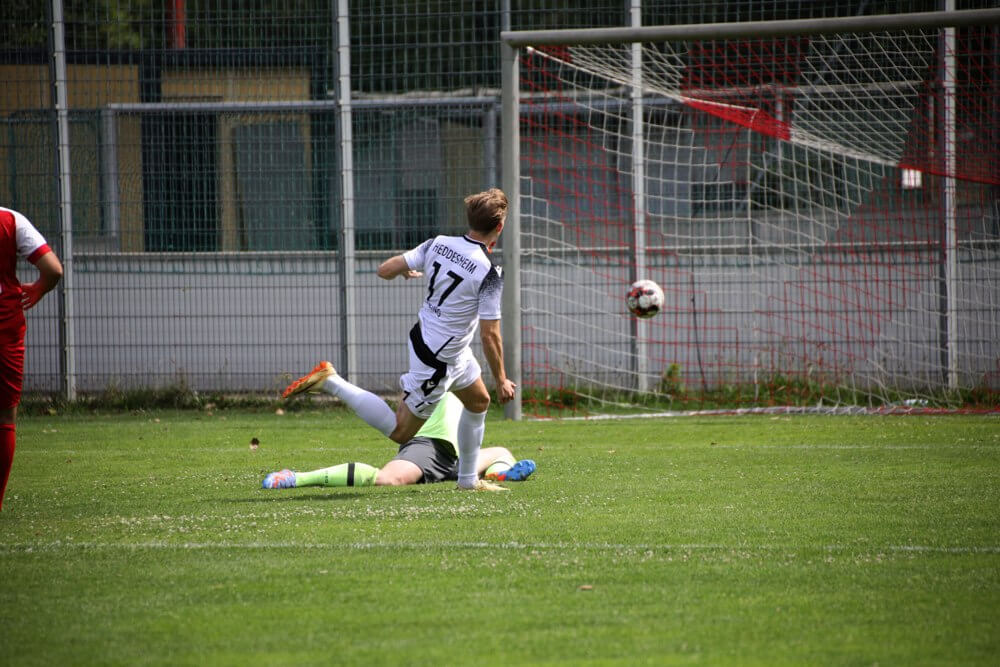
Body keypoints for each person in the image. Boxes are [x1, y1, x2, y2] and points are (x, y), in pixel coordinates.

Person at [283, 188, 516, 491]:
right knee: (400, 431)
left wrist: (404, 272)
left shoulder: (438, 243)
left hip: (442, 346)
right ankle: (330, 381)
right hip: (437, 361)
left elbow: (385, 269)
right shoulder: (489, 274)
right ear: (499, 227)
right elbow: (490, 334)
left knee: (479, 401)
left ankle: (468, 481)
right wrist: (502, 378)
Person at [262, 394, 535, 489]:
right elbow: (404, 408)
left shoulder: (461, 366)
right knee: (386, 479)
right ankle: (297, 478)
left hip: (455, 457)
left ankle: (500, 475)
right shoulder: (429, 371)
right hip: (428, 447)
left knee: (502, 451)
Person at [1, 206, 63, 511]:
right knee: (4, 417)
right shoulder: (10, 220)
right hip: (5, 323)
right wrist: (38, 289)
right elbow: (53, 270)